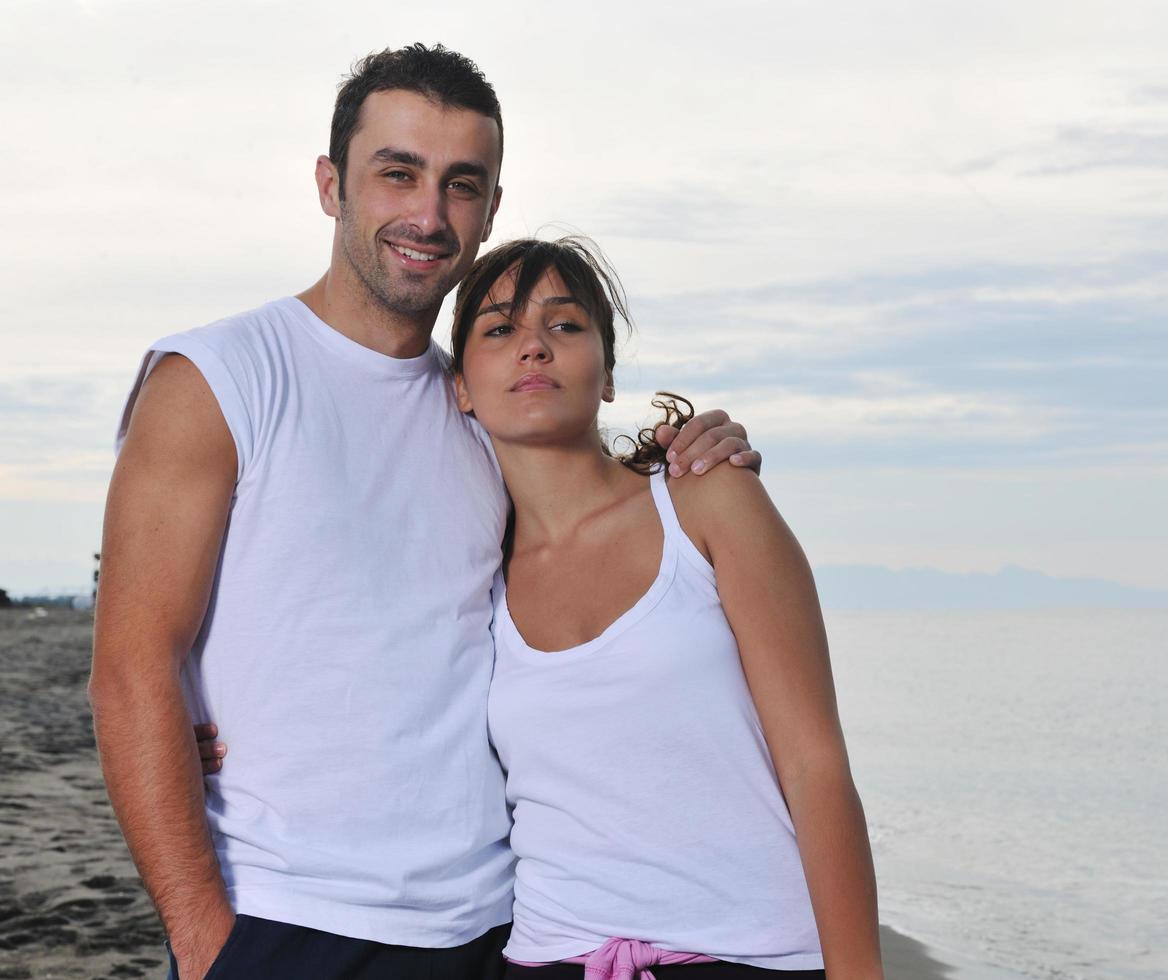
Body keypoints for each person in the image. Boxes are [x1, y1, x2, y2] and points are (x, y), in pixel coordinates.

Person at [89, 44, 758, 980]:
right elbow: (129, 671)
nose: (427, 214)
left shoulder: (484, 413)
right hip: (285, 917)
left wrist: (691, 450)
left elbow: (595, 523)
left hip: (490, 926)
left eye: (460, 184)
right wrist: (206, 947)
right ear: (332, 185)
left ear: (487, 211)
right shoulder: (219, 379)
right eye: (397, 173)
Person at [452, 237, 882, 979]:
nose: (533, 348)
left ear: (609, 373)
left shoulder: (708, 499)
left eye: (564, 325)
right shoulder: (465, 572)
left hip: (750, 955)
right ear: (461, 386)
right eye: (499, 330)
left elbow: (815, 764)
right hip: (549, 957)